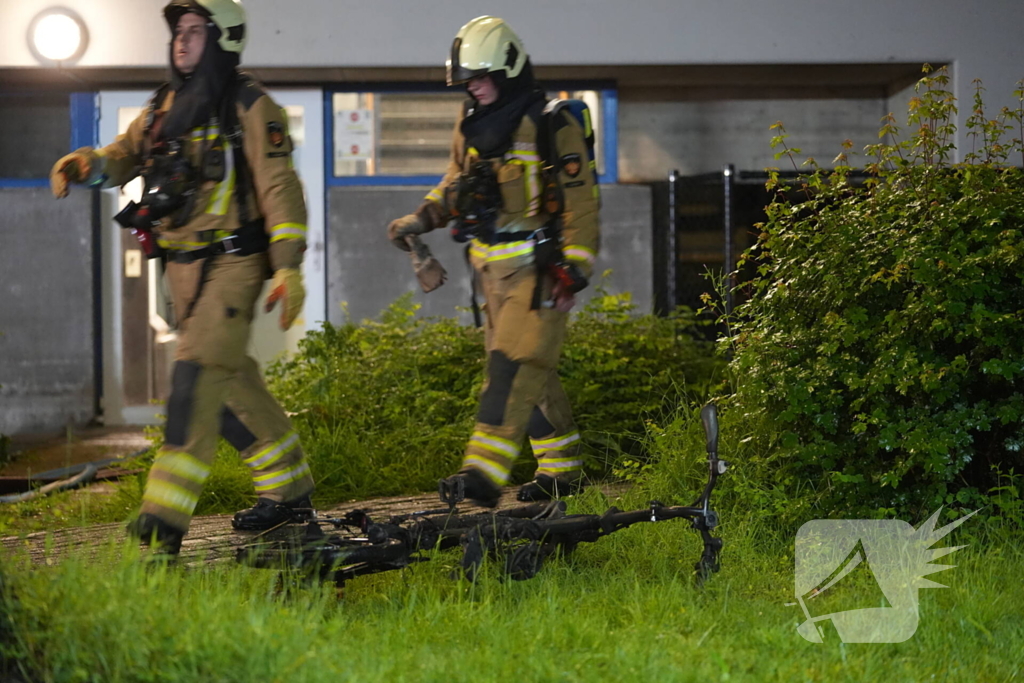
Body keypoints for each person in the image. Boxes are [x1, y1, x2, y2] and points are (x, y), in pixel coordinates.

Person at [50, 0, 314, 554]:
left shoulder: (250, 105)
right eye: (179, 32)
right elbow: (124, 156)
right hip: (182, 269)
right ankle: (289, 492)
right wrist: (89, 165)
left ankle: (163, 519)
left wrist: (288, 265)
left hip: (234, 264)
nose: (182, 41)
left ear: (223, 41)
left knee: (195, 380)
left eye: (196, 32)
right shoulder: (162, 106)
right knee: (230, 383)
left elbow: (280, 190)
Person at [387, 16, 600, 507]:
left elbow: (581, 202)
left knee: (511, 369)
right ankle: (562, 469)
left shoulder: (551, 122)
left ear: (508, 69)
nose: (474, 87)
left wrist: (576, 269)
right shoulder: (471, 124)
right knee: (534, 373)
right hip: (490, 274)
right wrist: (421, 219)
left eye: (481, 77)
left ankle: (482, 474)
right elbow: (453, 185)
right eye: (467, 80)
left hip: (538, 272)